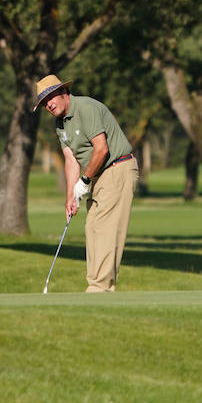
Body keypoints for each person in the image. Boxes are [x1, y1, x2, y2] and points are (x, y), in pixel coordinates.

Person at [36, 74, 139, 293]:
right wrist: (70, 197)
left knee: (104, 228)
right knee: (92, 227)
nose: (48, 104)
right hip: (100, 174)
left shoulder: (86, 108)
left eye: (50, 98)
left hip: (118, 168)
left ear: (63, 93)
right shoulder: (60, 124)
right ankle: (102, 286)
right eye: (44, 102)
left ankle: (98, 286)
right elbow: (71, 160)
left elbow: (101, 149)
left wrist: (84, 181)